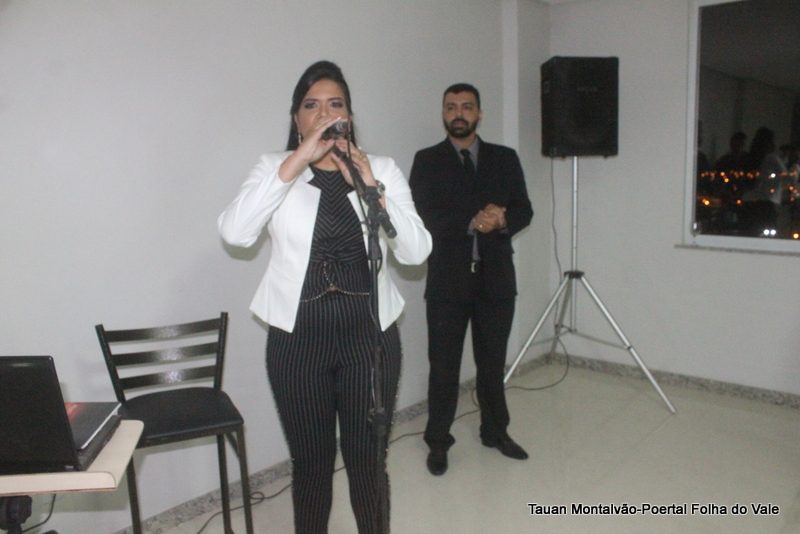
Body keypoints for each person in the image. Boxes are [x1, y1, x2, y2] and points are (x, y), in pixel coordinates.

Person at [218, 60, 431, 533]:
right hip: (298, 342)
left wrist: (371, 186)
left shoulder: (381, 169)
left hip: (369, 341)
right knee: (311, 467)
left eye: (335, 104)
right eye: (311, 105)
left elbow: (416, 252)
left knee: (368, 463)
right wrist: (293, 163)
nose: (324, 113)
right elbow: (235, 233)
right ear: (297, 119)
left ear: (349, 116)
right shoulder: (274, 168)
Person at [409, 83, 533, 476]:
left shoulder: (504, 158)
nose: (458, 113)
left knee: (492, 365)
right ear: (443, 114)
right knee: (444, 368)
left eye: (466, 106)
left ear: (479, 113)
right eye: (451, 107)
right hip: (447, 283)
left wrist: (503, 219)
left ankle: (495, 432)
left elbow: (525, 209)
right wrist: (470, 221)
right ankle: (438, 440)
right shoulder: (427, 160)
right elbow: (421, 214)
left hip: (496, 281)